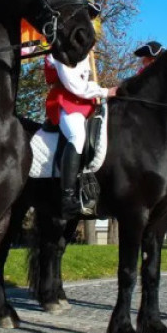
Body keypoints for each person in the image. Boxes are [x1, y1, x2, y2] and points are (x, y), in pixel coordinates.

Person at [44, 51, 117, 219]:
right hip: (66, 102)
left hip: (86, 104)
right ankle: (67, 197)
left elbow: (85, 82)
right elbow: (74, 85)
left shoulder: (84, 53)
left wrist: (97, 91)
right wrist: (105, 91)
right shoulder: (60, 52)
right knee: (77, 136)